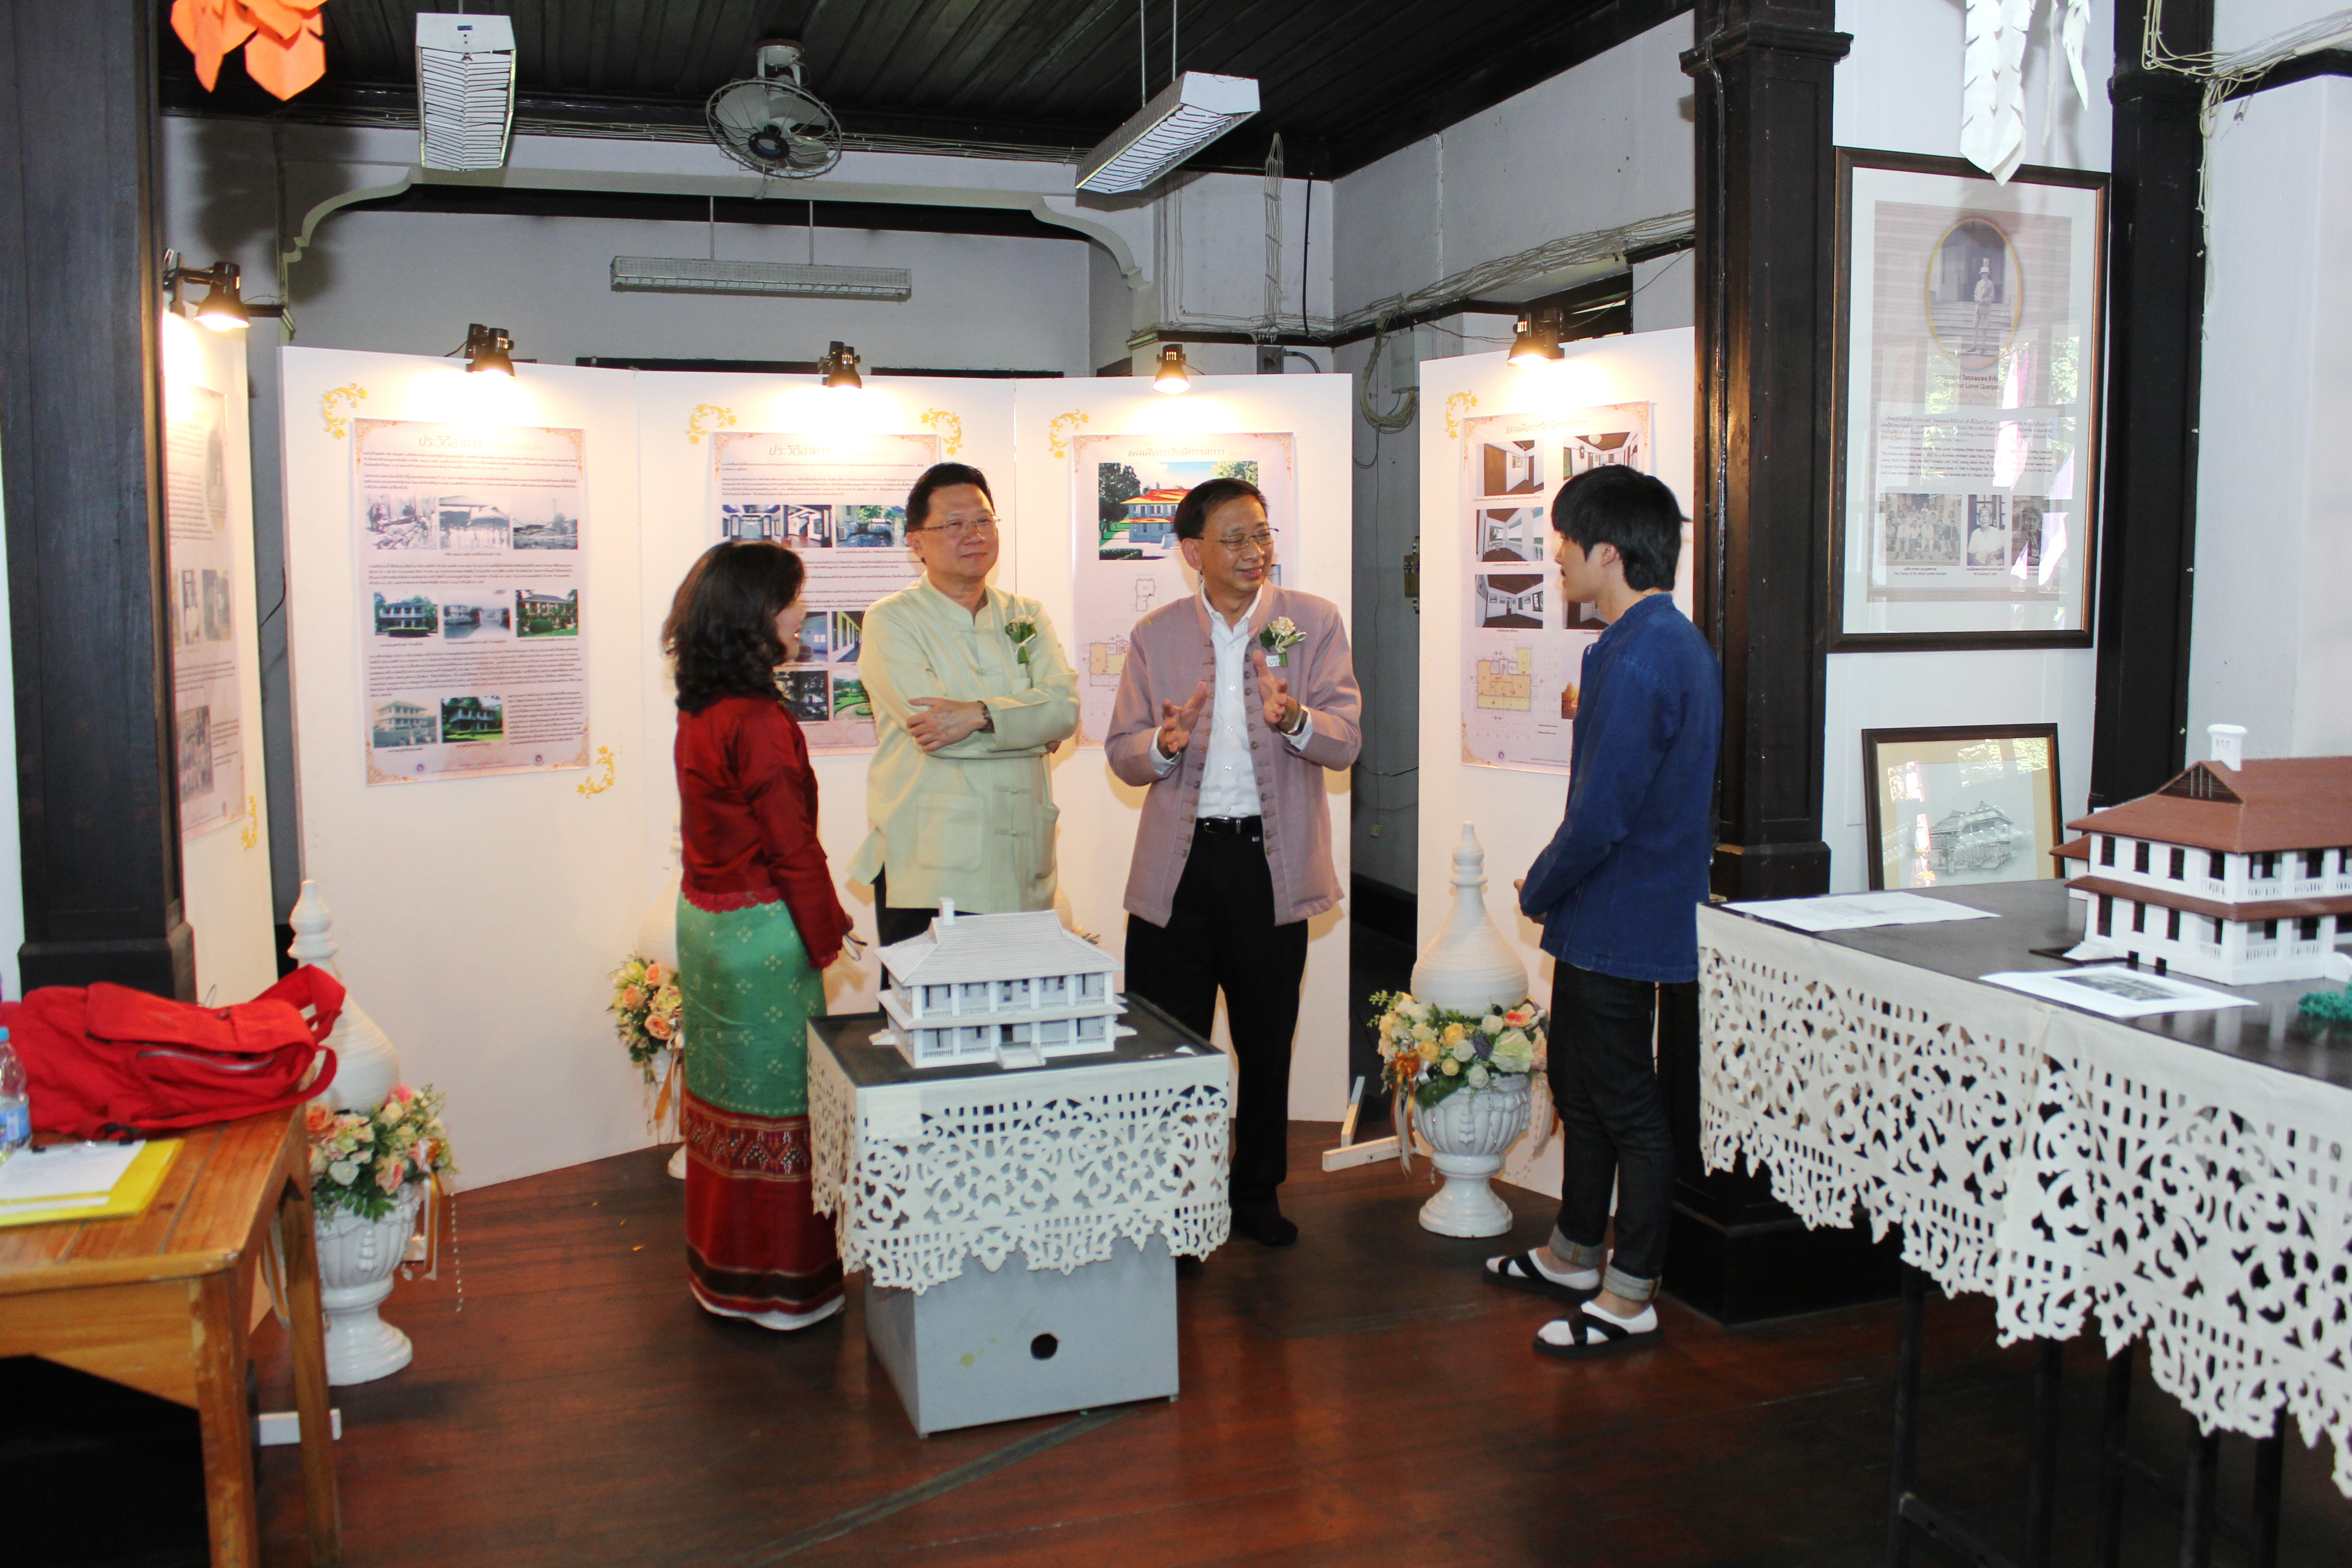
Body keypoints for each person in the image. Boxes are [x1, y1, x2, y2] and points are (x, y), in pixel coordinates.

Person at [1481, 464, 1720, 1357]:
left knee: (1625, 1106)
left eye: (1564, 543)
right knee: (1581, 1090)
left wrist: (1539, 885)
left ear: (1607, 552)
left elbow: (1602, 816)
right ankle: (1573, 1253)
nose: (1555, 559)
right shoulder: (1644, 643)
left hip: (1624, 916)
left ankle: (1630, 1294)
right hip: (1608, 914)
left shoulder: (1646, 653)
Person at [1105, 478, 1361, 1246]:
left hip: (1266, 867)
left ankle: (1256, 1196)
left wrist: (1296, 718)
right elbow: (1122, 753)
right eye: (1235, 538)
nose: (1255, 551)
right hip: (1177, 868)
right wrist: (1162, 743)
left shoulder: (1313, 622)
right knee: (1168, 1044)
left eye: (1261, 534)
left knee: (1265, 1039)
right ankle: (1174, 1203)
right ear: (1193, 552)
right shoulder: (1154, 634)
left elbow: (1346, 741)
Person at [664, 540, 856, 1330]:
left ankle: (723, 1273)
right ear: (754, 616)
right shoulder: (760, 720)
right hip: (762, 936)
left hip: (705, 924)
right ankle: (783, 1288)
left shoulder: (699, 709)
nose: (801, 612)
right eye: (790, 600)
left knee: (720, 1100)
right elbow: (791, 846)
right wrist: (830, 932)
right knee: (782, 1108)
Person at [849, 463, 1079, 943]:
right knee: (931, 993)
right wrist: (1033, 732)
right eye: (954, 524)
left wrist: (981, 715)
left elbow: (1066, 710)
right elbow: (936, 734)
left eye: (984, 521)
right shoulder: (892, 620)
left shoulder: (1026, 614)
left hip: (1021, 860)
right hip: (931, 864)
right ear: (916, 543)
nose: (974, 536)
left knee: (1017, 991)